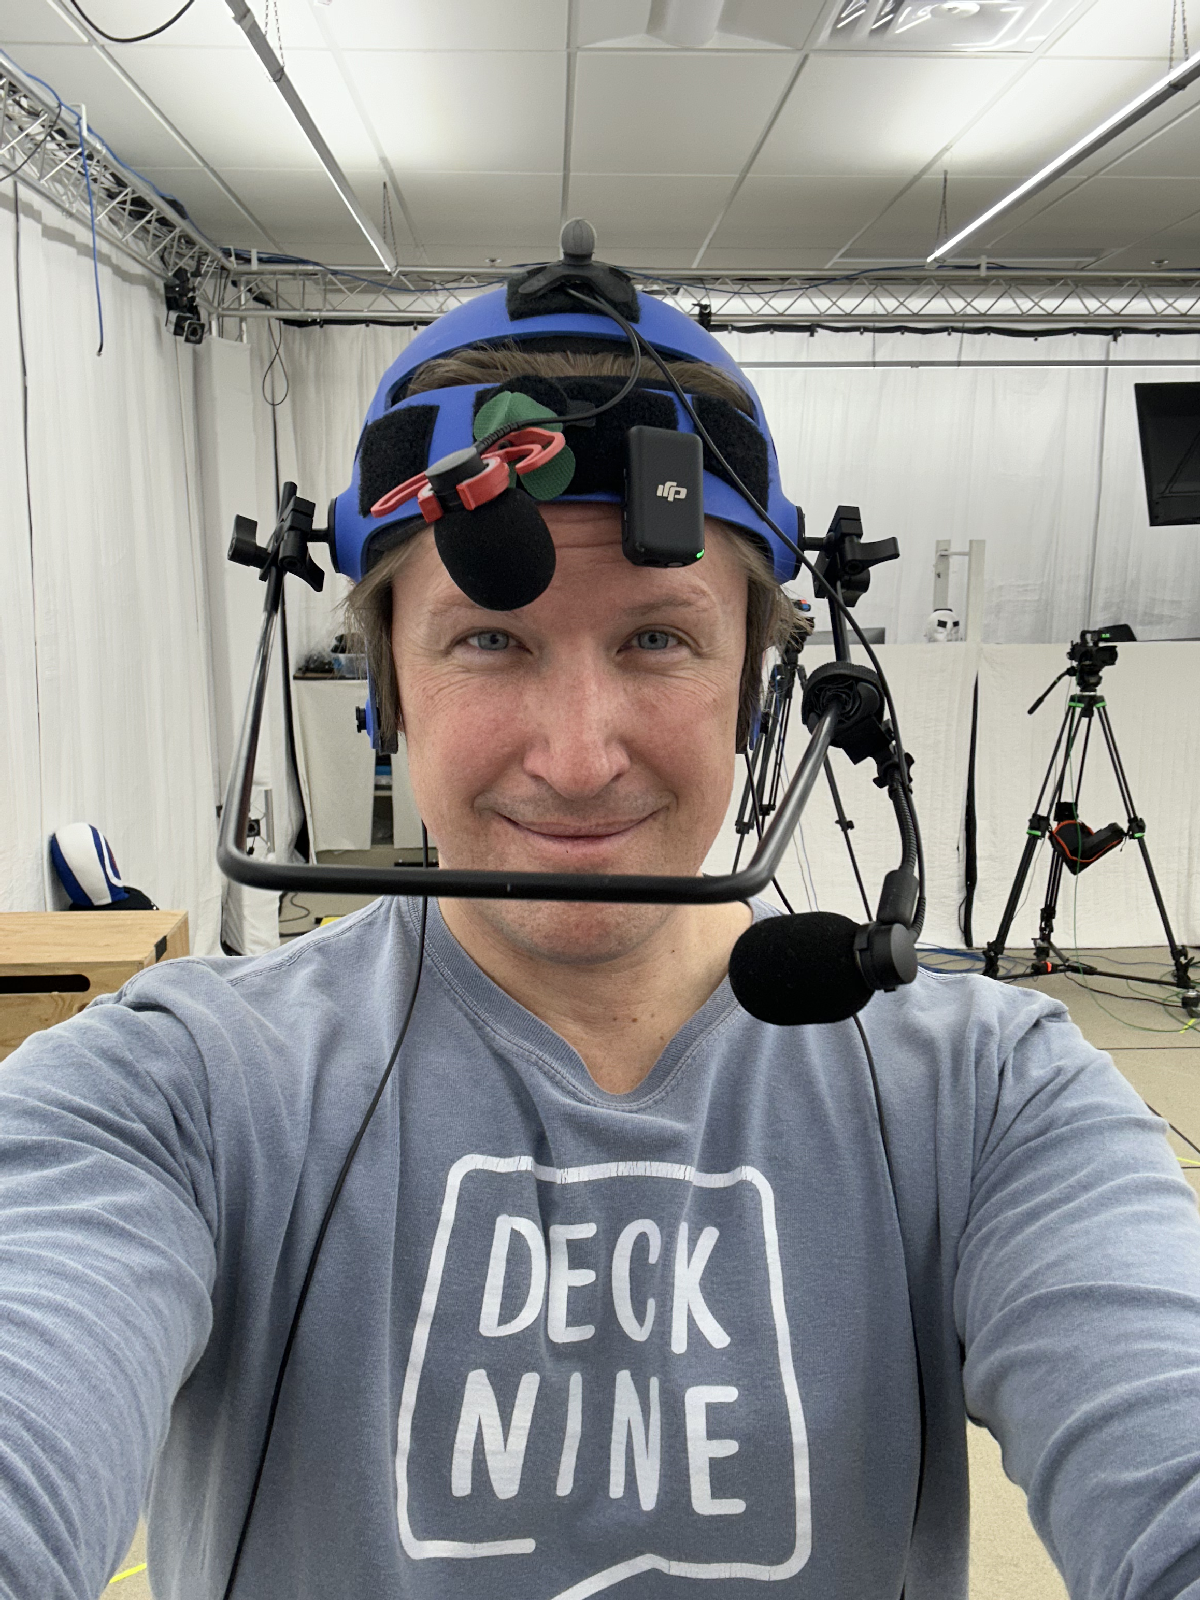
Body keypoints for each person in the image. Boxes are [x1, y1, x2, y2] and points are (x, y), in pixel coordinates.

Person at [3, 264, 1200, 1600]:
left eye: (655, 638)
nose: (577, 762)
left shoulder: (994, 1099)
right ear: (386, 683)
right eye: (491, 643)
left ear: (759, 684)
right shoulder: (175, 1095)